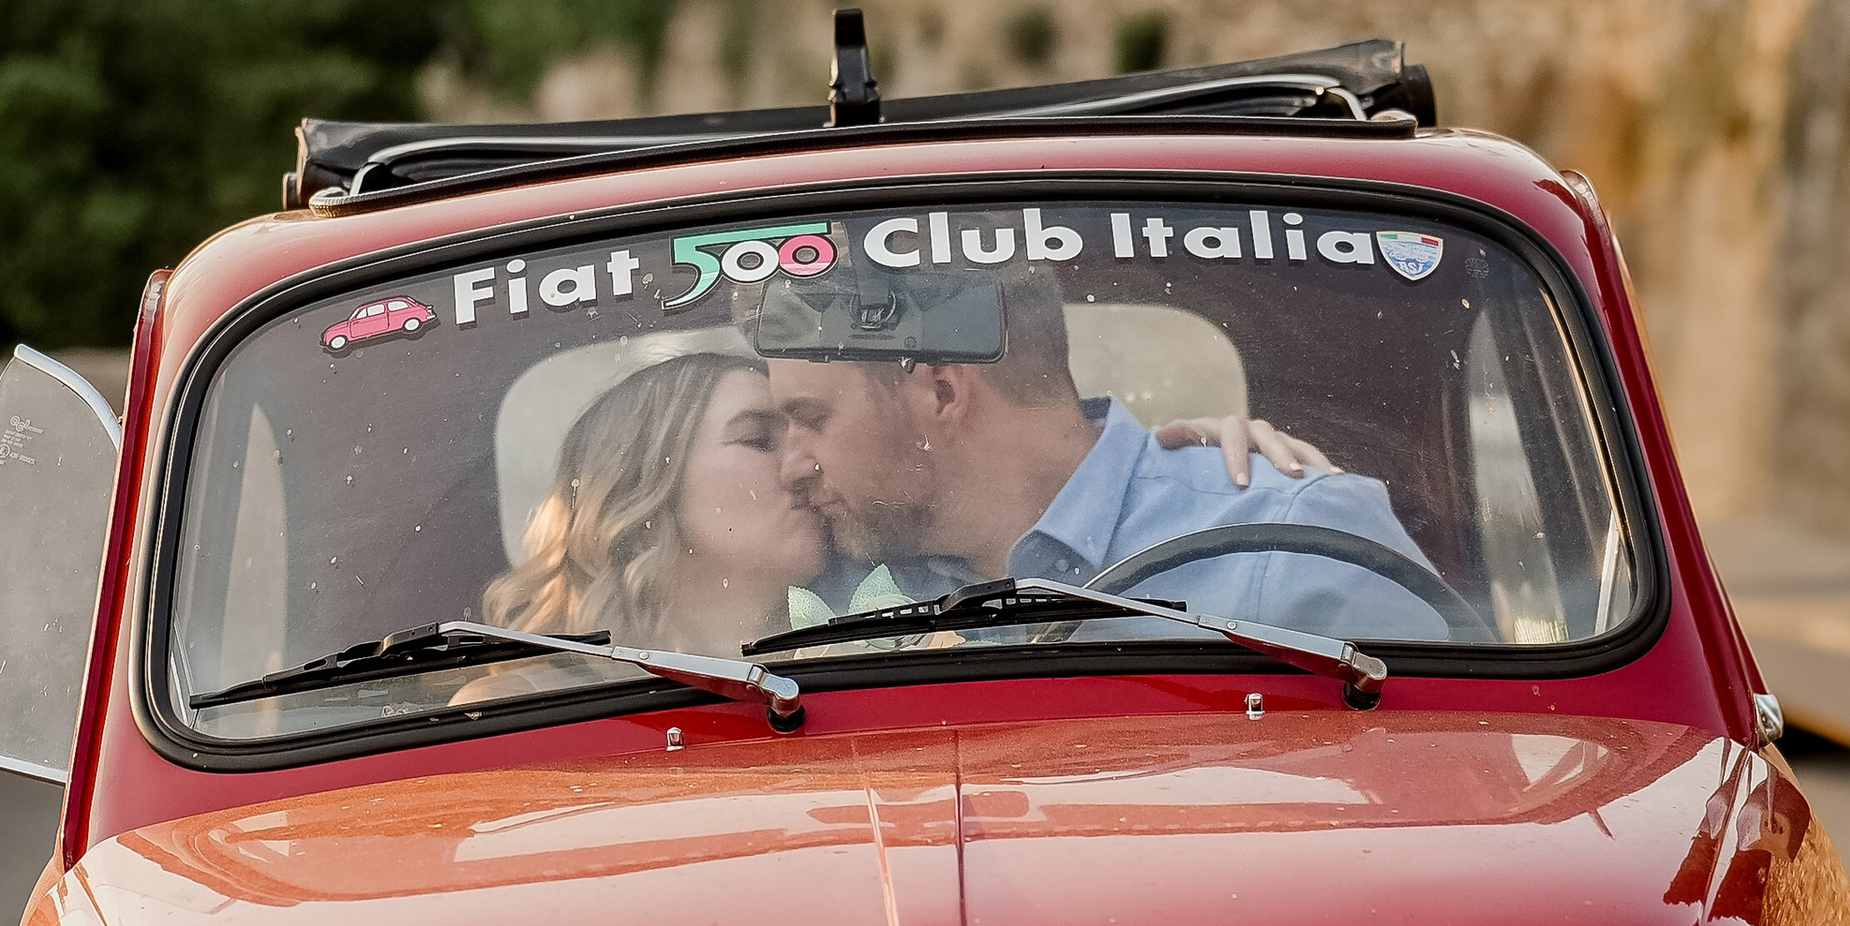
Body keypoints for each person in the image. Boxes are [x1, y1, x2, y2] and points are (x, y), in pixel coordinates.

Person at [763, 265, 1442, 642]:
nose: (790, 467)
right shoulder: (829, 571)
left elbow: (1434, 801)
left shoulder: (1293, 543)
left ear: (942, 390)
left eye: (811, 419)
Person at [486, 351, 829, 655]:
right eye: (758, 439)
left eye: (809, 438)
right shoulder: (525, 698)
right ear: (646, 483)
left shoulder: (856, 654)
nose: (805, 467)